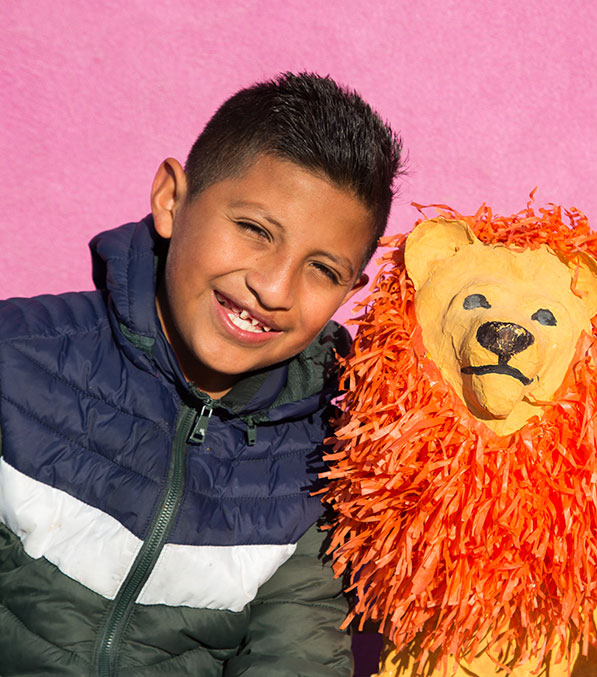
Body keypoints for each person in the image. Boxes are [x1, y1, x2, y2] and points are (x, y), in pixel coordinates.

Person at [0, 72, 402, 676]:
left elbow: (298, 654)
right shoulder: (15, 360)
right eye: (254, 230)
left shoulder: (334, 457)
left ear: (352, 288)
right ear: (170, 200)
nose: (272, 289)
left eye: (322, 269)